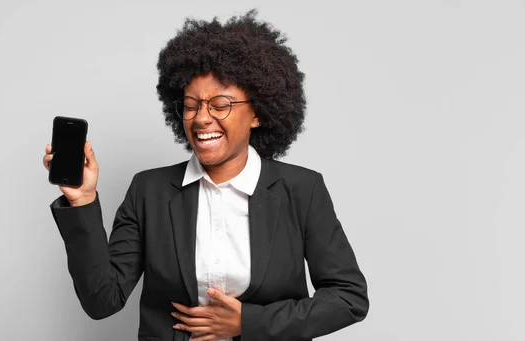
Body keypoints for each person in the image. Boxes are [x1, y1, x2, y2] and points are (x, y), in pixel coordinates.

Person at [43, 10, 368, 341]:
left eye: (220, 104)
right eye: (191, 105)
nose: (201, 119)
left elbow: (348, 298)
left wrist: (249, 322)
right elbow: (102, 301)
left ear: (257, 113)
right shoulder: (149, 190)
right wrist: (82, 200)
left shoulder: (301, 190)